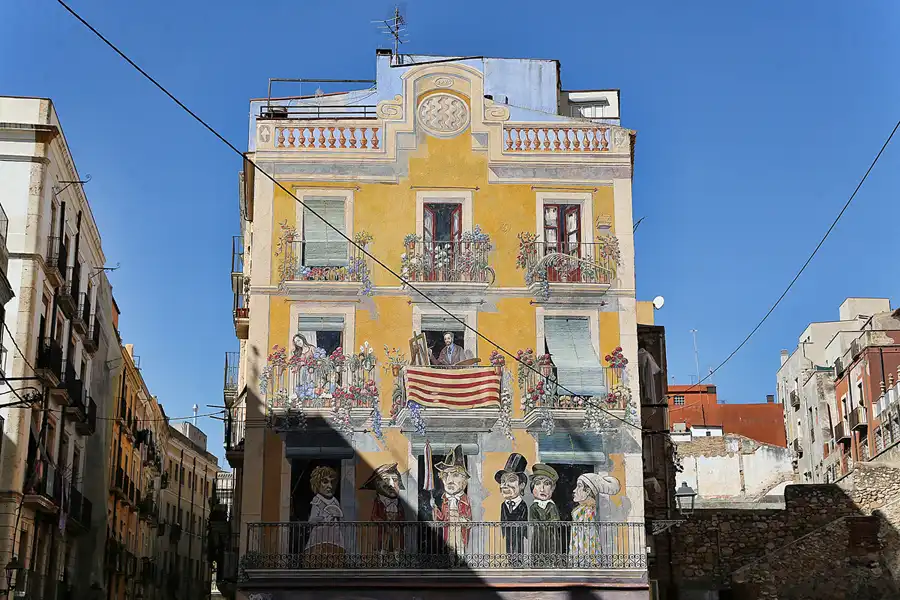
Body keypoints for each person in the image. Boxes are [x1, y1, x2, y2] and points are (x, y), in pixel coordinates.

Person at [569, 473, 620, 567]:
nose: (574, 490)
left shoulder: (589, 509)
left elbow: (588, 532)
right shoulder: (583, 508)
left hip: (585, 546)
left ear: (588, 491)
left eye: (579, 486)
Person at [431, 445, 472, 558]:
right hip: (449, 528)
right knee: (450, 545)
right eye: (446, 476)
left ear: (464, 481)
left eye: (455, 475)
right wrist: (434, 508)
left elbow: (468, 516)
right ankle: (450, 561)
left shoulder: (465, 499)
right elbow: (441, 517)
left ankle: (460, 562)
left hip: (460, 528)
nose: (449, 480)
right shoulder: (444, 499)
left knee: (459, 546)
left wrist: (465, 521)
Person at [360, 463, 406, 560]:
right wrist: (383, 523)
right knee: (384, 544)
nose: (391, 484)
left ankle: (397, 558)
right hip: (384, 529)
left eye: (395, 480)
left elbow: (402, 515)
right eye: (386, 480)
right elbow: (374, 516)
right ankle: (382, 559)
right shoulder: (378, 501)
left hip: (396, 529)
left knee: (396, 544)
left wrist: (400, 522)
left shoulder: (398, 502)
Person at [304, 465, 345, 568]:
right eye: (325, 482)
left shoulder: (335, 501)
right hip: (319, 538)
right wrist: (323, 519)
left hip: (334, 538)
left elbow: (340, 517)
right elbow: (311, 520)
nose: (329, 486)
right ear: (318, 484)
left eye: (332, 482)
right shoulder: (317, 500)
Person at [495, 453, 528, 566]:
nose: (505, 485)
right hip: (509, 532)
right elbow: (503, 518)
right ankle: (511, 561)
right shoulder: (503, 505)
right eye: (503, 481)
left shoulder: (522, 504)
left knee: (518, 548)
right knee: (508, 548)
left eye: (511, 480)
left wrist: (523, 531)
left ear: (521, 485)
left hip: (518, 533)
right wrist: (504, 530)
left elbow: (524, 519)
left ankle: (518, 563)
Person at [529, 463, 561, 566]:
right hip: (538, 535)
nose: (542, 489)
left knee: (552, 550)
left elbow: (555, 520)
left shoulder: (551, 506)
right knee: (538, 550)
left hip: (551, 535)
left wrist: (548, 524)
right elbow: (532, 520)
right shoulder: (533, 506)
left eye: (547, 484)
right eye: (538, 483)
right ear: (533, 488)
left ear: (552, 488)